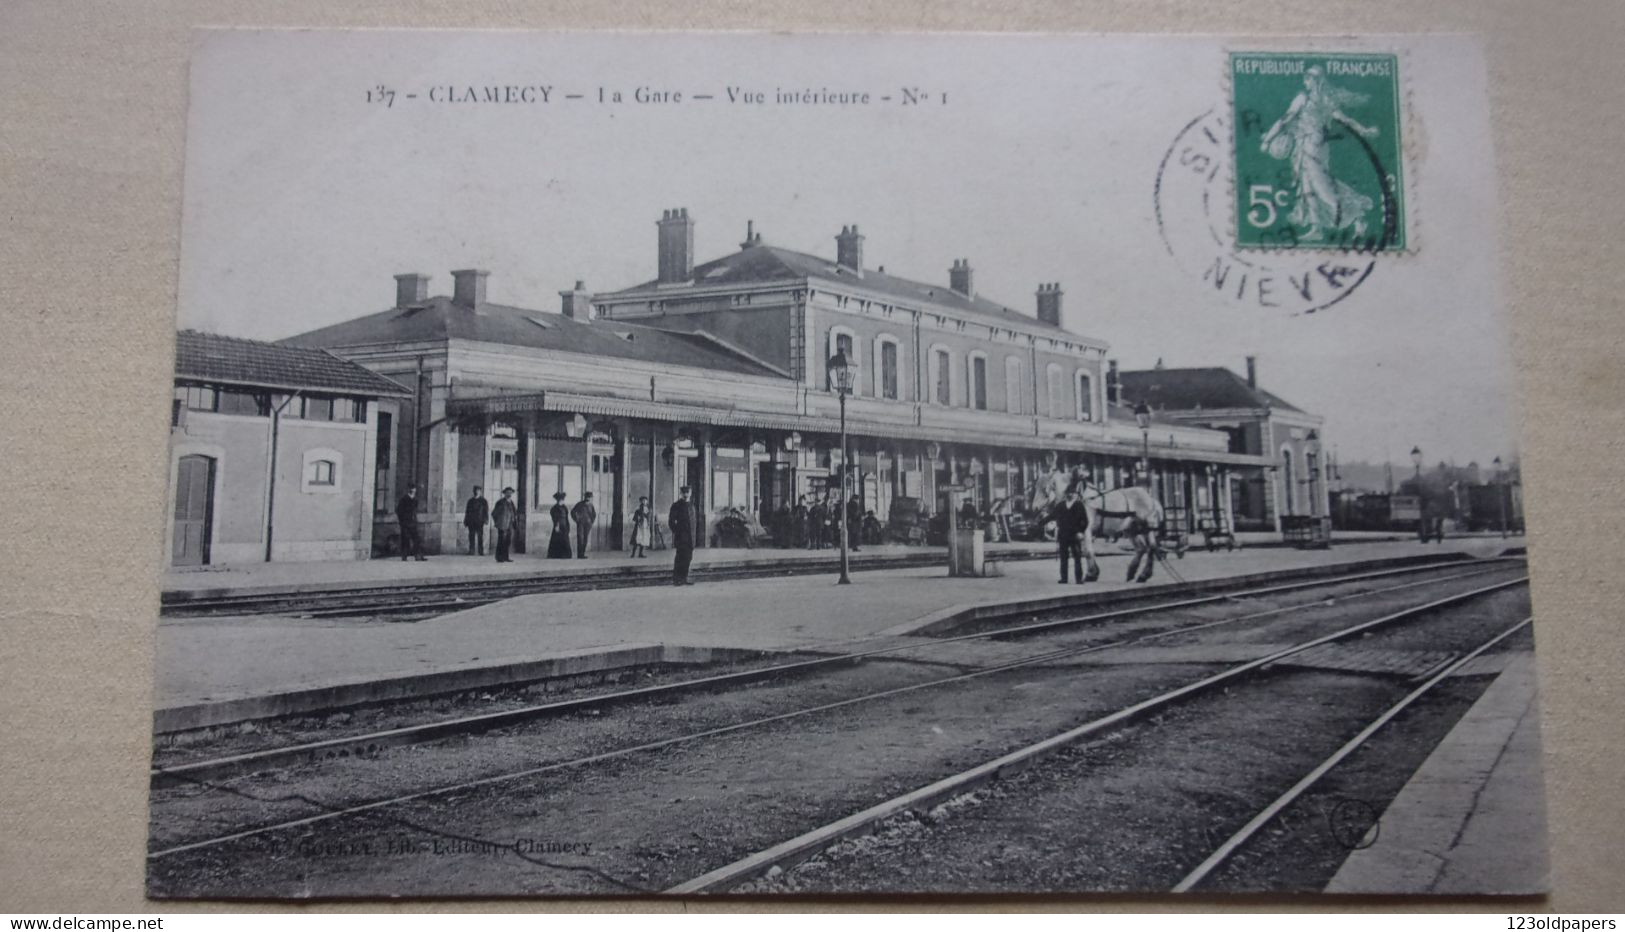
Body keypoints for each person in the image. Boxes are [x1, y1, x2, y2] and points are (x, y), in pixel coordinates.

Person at [1259, 65, 1381, 243]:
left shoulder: (1318, 99)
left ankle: (1356, 213)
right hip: (1306, 145)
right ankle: (1316, 228)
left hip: (1314, 146)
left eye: (1308, 78)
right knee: (1308, 185)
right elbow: (1286, 120)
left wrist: (1267, 141)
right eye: (1305, 78)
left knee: (1322, 186)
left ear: (1317, 80)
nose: (1305, 81)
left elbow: (1343, 119)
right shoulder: (1310, 98)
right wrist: (1269, 137)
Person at [1054, 487, 1090, 583]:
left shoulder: (1079, 505)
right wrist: (1040, 523)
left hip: (1075, 535)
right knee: (1063, 557)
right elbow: (1052, 516)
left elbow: (1085, 521)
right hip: (1063, 535)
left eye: (1072, 493)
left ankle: (1078, 579)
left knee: (1077, 557)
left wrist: (1081, 532)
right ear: (1065, 494)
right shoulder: (1060, 506)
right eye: (1068, 493)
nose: (1070, 495)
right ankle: (1064, 578)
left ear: (1075, 494)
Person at [669, 485, 696, 585]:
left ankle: (684, 578)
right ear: (681, 493)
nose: (686, 494)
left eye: (687, 492)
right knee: (680, 558)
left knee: (688, 558)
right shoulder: (676, 505)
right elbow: (671, 521)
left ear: (690, 493)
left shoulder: (692, 505)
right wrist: (678, 532)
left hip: (691, 538)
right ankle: (677, 579)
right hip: (681, 537)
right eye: (684, 492)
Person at [396, 486, 426, 561]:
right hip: (405, 523)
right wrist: (402, 522)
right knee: (405, 539)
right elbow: (399, 511)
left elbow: (414, 511)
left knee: (416, 539)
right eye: (412, 488)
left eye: (414, 489)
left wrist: (415, 520)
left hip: (413, 523)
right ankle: (404, 556)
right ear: (409, 490)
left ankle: (418, 556)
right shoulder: (404, 499)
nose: (413, 490)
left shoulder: (415, 500)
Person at [491, 487, 518, 563]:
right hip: (502, 525)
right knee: (501, 541)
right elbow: (494, 513)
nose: (509, 494)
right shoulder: (500, 502)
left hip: (510, 525)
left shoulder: (512, 503)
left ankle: (506, 557)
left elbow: (514, 513)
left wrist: (514, 521)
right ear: (505, 493)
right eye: (507, 492)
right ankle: (499, 557)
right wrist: (498, 523)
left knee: (507, 541)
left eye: (510, 492)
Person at [463, 485, 489, 556]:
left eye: (478, 490)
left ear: (480, 492)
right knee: (471, 536)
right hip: (471, 521)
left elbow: (486, 511)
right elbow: (467, 512)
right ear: (473, 491)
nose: (477, 492)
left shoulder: (483, 501)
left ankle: (481, 551)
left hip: (480, 521)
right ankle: (471, 551)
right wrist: (465, 520)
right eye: (475, 490)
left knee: (480, 536)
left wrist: (486, 520)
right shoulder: (470, 501)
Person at [571, 492, 598, 559]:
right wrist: (576, 519)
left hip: (588, 525)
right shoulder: (579, 504)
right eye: (587, 497)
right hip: (580, 524)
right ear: (585, 497)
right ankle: (579, 554)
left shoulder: (591, 505)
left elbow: (594, 514)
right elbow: (573, 512)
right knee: (580, 538)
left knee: (585, 539)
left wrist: (591, 522)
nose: (588, 498)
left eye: (590, 497)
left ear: (591, 498)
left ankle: (582, 554)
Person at [547, 491, 573, 558]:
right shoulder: (554, 508)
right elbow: (555, 518)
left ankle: (565, 555)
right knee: (557, 540)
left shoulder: (565, 507)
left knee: (565, 539)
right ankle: (556, 555)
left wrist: (568, 525)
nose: (561, 501)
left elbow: (567, 517)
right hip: (558, 525)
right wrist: (556, 525)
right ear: (557, 500)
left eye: (562, 500)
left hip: (564, 525)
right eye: (560, 500)